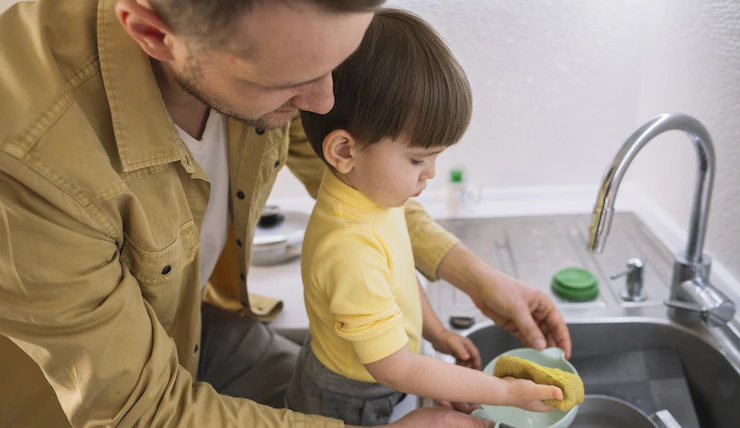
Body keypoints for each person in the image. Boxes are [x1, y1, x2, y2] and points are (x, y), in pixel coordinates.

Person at [0, 0, 570, 427]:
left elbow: (358, 184)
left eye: (336, 62)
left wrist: (471, 274)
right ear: (154, 34)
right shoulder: (29, 161)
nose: (323, 104)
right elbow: (136, 409)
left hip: (203, 331)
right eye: (291, 82)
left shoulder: (263, 54)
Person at [286, 9, 564, 426]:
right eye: (417, 158)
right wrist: (505, 393)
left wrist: (436, 333)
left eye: (436, 157)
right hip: (351, 399)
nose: (431, 173)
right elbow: (396, 368)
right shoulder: (348, 246)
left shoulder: (372, 198)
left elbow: (400, 279)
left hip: (382, 371)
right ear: (345, 151)